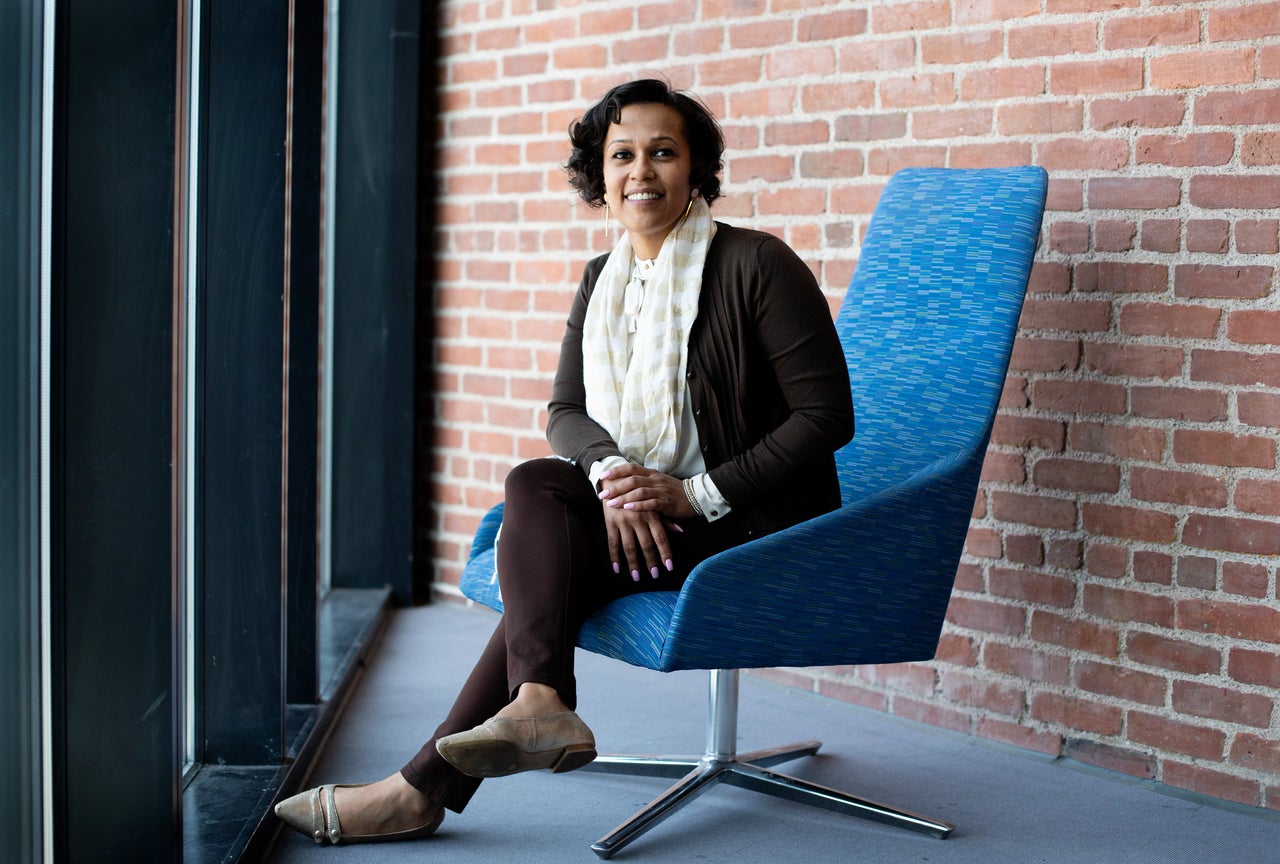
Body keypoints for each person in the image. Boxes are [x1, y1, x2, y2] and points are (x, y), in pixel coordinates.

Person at [275, 77, 854, 846]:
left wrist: (691, 497)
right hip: (645, 511)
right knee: (536, 483)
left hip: (753, 523)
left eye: (663, 152)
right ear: (599, 175)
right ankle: (533, 705)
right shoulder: (602, 279)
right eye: (622, 154)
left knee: (555, 567)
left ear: (697, 170)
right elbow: (566, 414)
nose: (640, 171)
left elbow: (827, 419)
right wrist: (616, 481)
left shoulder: (757, 265)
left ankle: (431, 780)